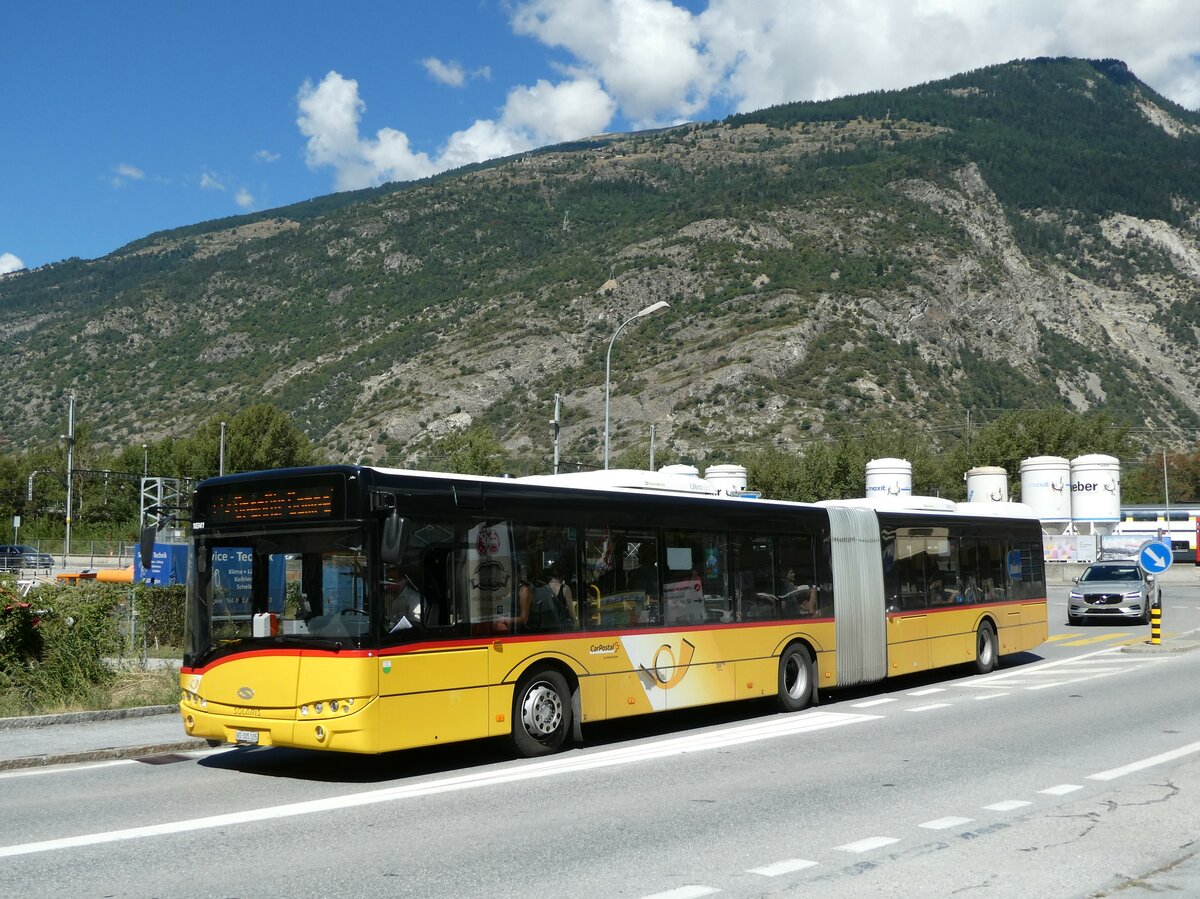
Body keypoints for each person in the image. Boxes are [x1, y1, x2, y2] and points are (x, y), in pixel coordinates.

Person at [383, 567, 423, 633]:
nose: (389, 583)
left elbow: (416, 626)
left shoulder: (416, 599)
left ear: (403, 581)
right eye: (388, 580)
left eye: (393, 580)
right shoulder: (387, 598)